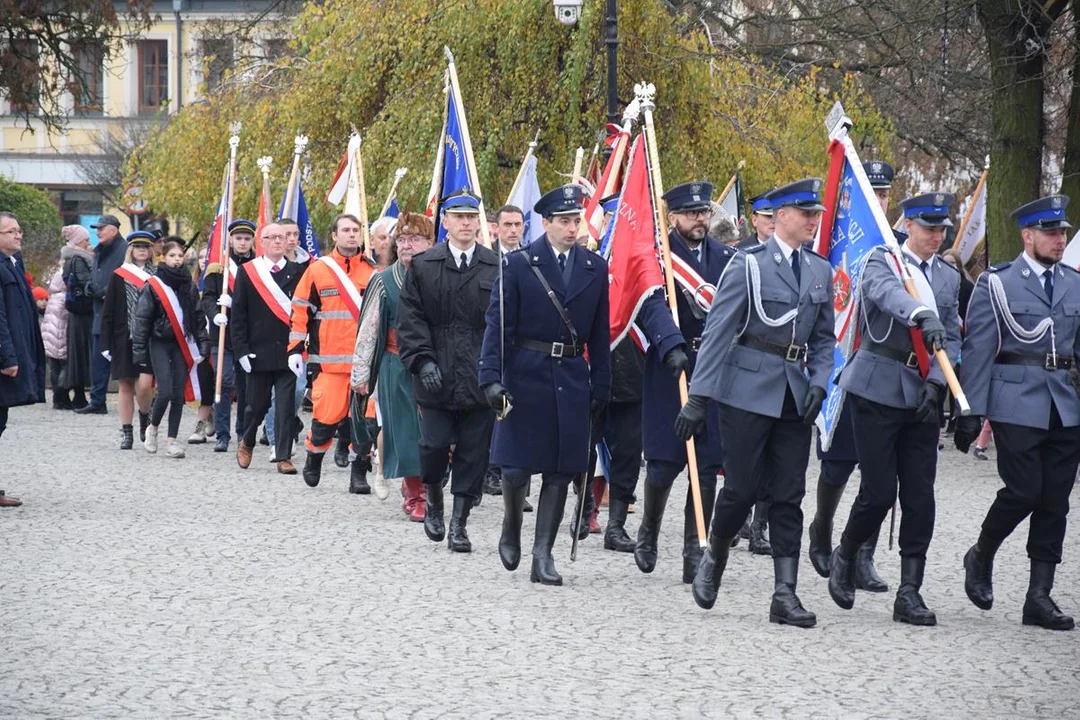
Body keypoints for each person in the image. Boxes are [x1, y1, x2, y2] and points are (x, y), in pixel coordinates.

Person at [678, 178, 834, 627]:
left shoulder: (819, 270)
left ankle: (784, 593)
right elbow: (718, 334)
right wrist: (698, 399)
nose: (812, 222)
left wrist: (820, 384)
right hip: (745, 389)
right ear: (781, 216)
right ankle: (716, 555)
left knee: (789, 494)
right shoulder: (747, 264)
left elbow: (824, 340)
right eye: (805, 214)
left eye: (815, 216)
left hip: (793, 393)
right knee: (742, 490)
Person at [827, 192, 962, 627]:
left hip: (922, 392)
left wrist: (938, 384)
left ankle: (909, 592)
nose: (937, 237)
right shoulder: (882, 262)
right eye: (929, 228)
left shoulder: (946, 276)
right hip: (878, 385)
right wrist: (923, 313)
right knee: (880, 491)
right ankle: (845, 552)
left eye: (942, 229)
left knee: (920, 496)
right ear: (907, 225)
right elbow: (886, 296)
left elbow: (954, 338)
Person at [955, 194, 1080, 632]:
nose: (1059, 239)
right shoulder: (999, 283)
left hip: (1064, 405)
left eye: (1062, 232)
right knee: (1024, 490)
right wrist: (970, 410)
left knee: (1055, 501)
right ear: (1028, 236)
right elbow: (979, 349)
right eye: (1050, 232)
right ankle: (982, 553)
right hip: (1016, 400)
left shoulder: (1074, 282)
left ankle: (1038, 596)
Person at [479, 184, 611, 584]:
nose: (573, 228)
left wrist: (601, 387)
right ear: (547, 223)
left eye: (577, 221)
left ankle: (543, 554)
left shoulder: (594, 267)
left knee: (560, 470)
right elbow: (498, 326)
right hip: (525, 373)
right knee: (517, 469)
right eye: (566, 221)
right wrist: (491, 378)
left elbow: (600, 335)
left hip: (571, 377)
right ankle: (511, 524)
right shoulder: (520, 264)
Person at [633, 181, 738, 584]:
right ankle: (648, 530)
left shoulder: (728, 258)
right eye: (691, 213)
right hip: (670, 366)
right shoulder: (659, 257)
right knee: (663, 464)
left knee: (707, 468)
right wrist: (670, 342)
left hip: (713, 368)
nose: (699, 219)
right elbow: (651, 302)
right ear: (672, 217)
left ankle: (695, 547)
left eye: (704, 212)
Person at [807, 160, 901, 593]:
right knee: (838, 463)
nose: (879, 202)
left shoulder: (899, 251)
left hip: (886, 374)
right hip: (848, 367)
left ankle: (862, 554)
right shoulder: (840, 243)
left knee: (880, 474)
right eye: (873, 195)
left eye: (884, 195)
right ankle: (822, 526)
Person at [397, 190, 499, 552]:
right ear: (446, 222)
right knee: (434, 445)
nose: (466, 223)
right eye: (459, 217)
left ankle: (459, 523)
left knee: (474, 453)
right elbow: (411, 319)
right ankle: (434, 499)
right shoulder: (424, 265)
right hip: (436, 373)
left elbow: (503, 324)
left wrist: (498, 373)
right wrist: (422, 361)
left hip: (479, 377)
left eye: (472, 217)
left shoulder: (495, 265)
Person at [352, 212, 433, 519]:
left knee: (435, 433)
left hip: (436, 366)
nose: (406, 245)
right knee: (406, 431)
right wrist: (361, 375)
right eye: (401, 239)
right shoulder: (384, 280)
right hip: (395, 363)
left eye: (414, 238)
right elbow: (369, 329)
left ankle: (429, 486)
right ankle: (416, 493)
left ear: (430, 242)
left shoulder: (441, 275)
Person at [291, 214, 377, 492]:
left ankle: (359, 474)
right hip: (328, 364)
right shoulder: (318, 271)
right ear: (335, 235)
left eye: (356, 230)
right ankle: (314, 456)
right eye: (346, 230)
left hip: (365, 363)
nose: (352, 235)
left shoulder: (373, 272)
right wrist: (294, 348)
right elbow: (300, 309)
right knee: (325, 420)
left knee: (365, 424)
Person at [232, 223, 304, 474]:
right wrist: (240, 351)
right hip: (257, 351)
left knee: (285, 406)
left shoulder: (298, 272)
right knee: (256, 405)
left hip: (288, 350)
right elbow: (238, 314)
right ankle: (248, 440)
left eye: (281, 237)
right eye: (271, 237)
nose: (276, 241)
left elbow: (303, 311)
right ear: (260, 242)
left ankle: (283, 456)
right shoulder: (248, 272)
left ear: (287, 242)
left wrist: (301, 347)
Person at [131, 239, 208, 459]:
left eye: (180, 256)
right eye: (172, 256)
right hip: (159, 342)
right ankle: (153, 427)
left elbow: (198, 317)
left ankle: (171, 441)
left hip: (182, 343)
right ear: (163, 257)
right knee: (164, 390)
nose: (176, 260)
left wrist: (203, 344)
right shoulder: (153, 285)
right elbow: (142, 320)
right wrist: (139, 351)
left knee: (177, 393)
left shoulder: (188, 284)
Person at [0, 212, 46, 507]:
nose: (18, 235)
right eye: (11, 231)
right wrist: (7, 355)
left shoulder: (13, 263)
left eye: (19, 230)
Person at [203, 220, 257, 453]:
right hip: (222, 333)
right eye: (239, 239)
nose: (243, 243)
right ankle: (222, 434)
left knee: (246, 386)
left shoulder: (258, 266)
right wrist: (215, 314)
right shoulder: (219, 268)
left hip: (247, 334)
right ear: (231, 241)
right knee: (223, 383)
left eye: (247, 239)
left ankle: (243, 432)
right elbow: (207, 297)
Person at [100, 232, 157, 449]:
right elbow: (109, 311)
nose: (141, 250)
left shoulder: (158, 274)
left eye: (146, 247)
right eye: (137, 247)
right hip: (123, 337)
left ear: (151, 250)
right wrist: (105, 343)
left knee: (144, 385)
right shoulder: (119, 275)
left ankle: (144, 415)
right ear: (130, 250)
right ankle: (126, 432)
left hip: (150, 337)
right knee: (124, 385)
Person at [265, 217, 309, 456]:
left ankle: (287, 427)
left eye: (295, 234)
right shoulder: (264, 268)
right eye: (286, 234)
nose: (291, 239)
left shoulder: (309, 265)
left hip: (299, 338)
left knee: (298, 390)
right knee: (274, 394)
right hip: (273, 339)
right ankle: (276, 441)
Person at [80, 215, 127, 414]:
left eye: (101, 228)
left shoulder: (124, 250)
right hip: (100, 314)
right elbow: (97, 275)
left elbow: (127, 276)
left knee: (126, 361)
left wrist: (106, 292)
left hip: (120, 315)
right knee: (98, 360)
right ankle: (97, 401)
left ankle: (145, 401)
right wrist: (90, 286)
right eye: (96, 228)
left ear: (114, 230)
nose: (97, 231)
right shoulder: (99, 251)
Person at [60, 225, 94, 412]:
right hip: (82, 313)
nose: (89, 242)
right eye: (86, 239)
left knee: (77, 353)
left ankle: (75, 394)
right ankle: (78, 395)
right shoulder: (78, 258)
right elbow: (86, 283)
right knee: (79, 353)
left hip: (77, 313)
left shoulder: (73, 258)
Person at [41, 254, 70, 409]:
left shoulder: (53, 296)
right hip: (60, 334)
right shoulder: (64, 297)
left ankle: (57, 398)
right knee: (64, 365)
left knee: (54, 366)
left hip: (50, 334)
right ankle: (60, 397)